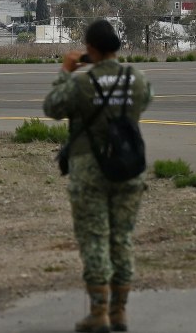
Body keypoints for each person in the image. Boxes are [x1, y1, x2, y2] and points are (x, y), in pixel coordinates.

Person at [43, 19, 152, 333]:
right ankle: (120, 311)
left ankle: (99, 312)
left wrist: (66, 71)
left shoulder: (80, 84)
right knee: (122, 238)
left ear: (90, 49)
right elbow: (144, 102)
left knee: (94, 239)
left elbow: (52, 107)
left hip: (89, 169)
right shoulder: (136, 79)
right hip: (128, 167)